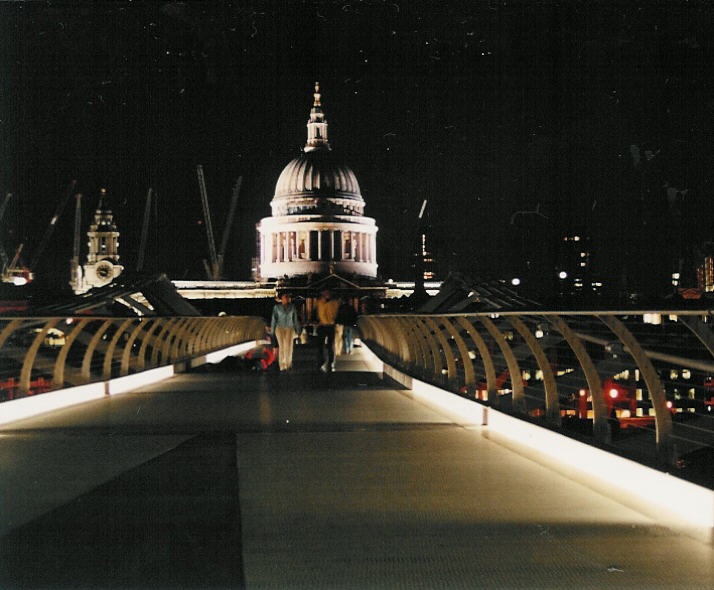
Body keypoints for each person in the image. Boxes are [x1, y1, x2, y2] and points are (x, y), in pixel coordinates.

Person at [270, 293, 301, 372]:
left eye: (287, 297)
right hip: (279, 328)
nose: (286, 299)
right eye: (284, 297)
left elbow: (295, 319)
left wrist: (298, 330)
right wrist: (272, 331)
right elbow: (274, 319)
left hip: (289, 328)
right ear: (281, 299)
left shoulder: (292, 307)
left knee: (289, 346)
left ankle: (288, 364)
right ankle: (282, 365)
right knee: (282, 346)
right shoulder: (277, 308)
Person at [315, 288, 339, 372]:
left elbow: (330, 314)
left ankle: (329, 361)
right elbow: (320, 314)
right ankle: (324, 361)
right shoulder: (322, 302)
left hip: (327, 325)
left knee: (328, 345)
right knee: (323, 345)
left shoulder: (330, 303)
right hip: (326, 326)